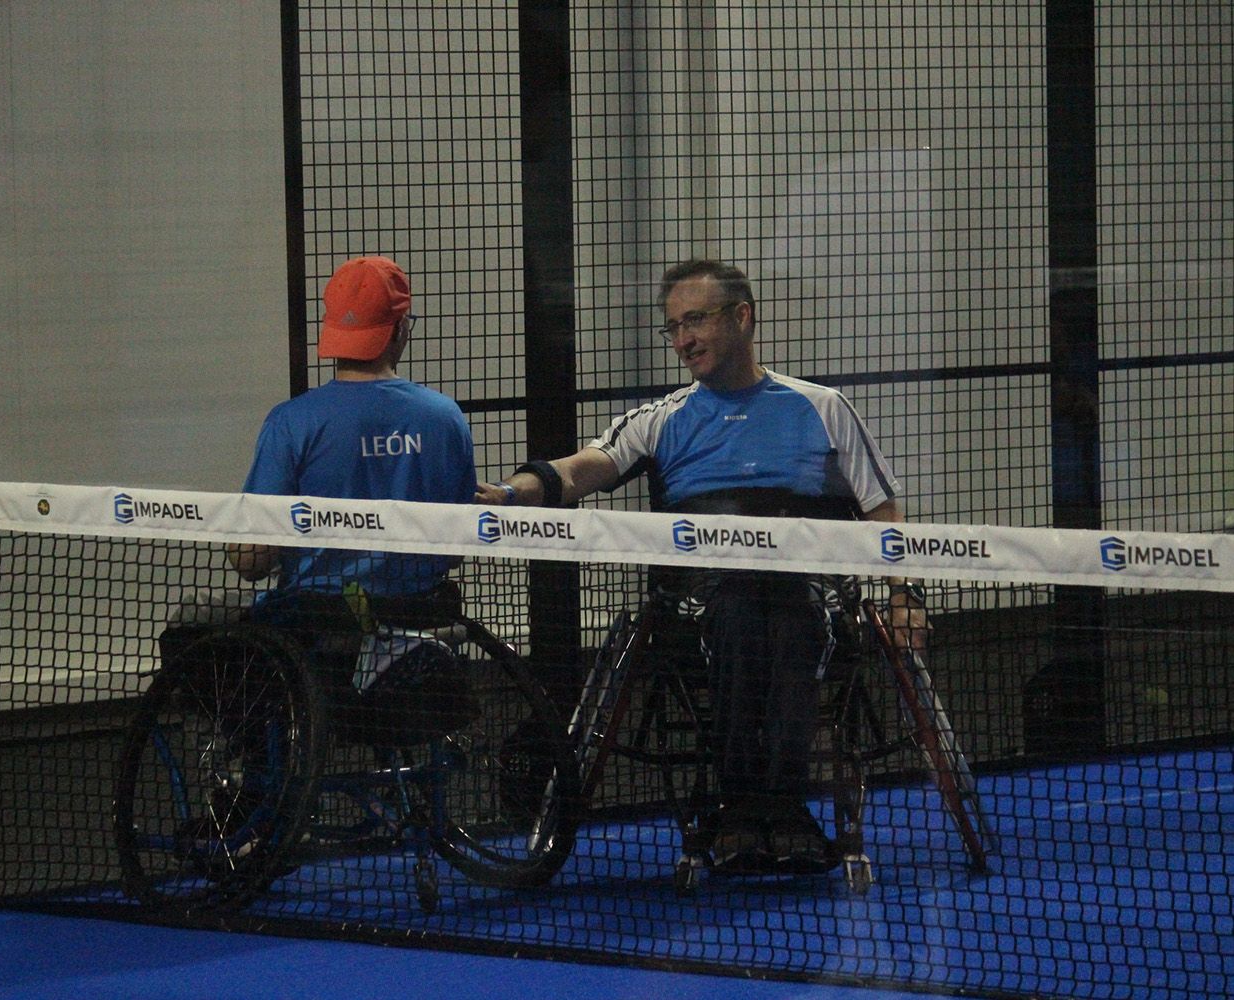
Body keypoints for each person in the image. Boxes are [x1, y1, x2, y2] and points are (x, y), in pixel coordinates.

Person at [476, 258, 928, 873]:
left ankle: (781, 809)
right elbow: (584, 468)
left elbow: (883, 510)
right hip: (704, 602)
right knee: (742, 615)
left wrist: (904, 596)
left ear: (742, 317)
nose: (683, 340)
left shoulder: (822, 408)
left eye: (695, 320)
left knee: (792, 619)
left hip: (806, 594)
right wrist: (513, 491)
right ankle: (745, 809)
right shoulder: (661, 419)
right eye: (673, 327)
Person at [232, 254, 476, 612]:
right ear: (400, 327)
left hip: (311, 626)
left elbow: (250, 562)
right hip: (419, 618)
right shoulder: (444, 419)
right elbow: (455, 552)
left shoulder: (290, 423)